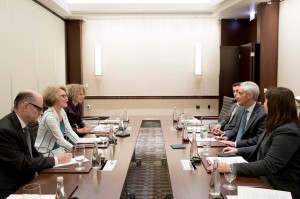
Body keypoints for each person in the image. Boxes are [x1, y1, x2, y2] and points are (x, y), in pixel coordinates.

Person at [216, 87, 300, 199]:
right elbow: (260, 147)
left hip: (277, 188)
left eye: (266, 101)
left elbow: (269, 165)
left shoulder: (288, 131)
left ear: (274, 105)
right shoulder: (274, 124)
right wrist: (238, 150)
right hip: (262, 181)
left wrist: (231, 168)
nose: (263, 104)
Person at [0, 89, 72, 198]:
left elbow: (33, 153)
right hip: (14, 189)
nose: (41, 113)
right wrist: (56, 160)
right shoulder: (5, 130)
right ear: (25, 106)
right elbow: (22, 163)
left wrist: (54, 164)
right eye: (39, 109)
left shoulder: (24, 124)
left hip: (30, 180)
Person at [215, 81, 266, 147]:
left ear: (250, 95)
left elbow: (258, 139)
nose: (237, 96)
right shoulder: (241, 108)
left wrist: (235, 144)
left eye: (240, 93)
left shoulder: (262, 114)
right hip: (234, 146)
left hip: (247, 151)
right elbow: (237, 129)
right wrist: (225, 137)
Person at [35, 86, 80, 156]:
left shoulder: (62, 111)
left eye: (66, 96)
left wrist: (81, 144)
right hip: (45, 153)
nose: (67, 98)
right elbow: (60, 140)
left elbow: (69, 131)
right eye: (63, 96)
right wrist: (76, 149)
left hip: (57, 151)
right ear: (53, 98)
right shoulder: (49, 117)